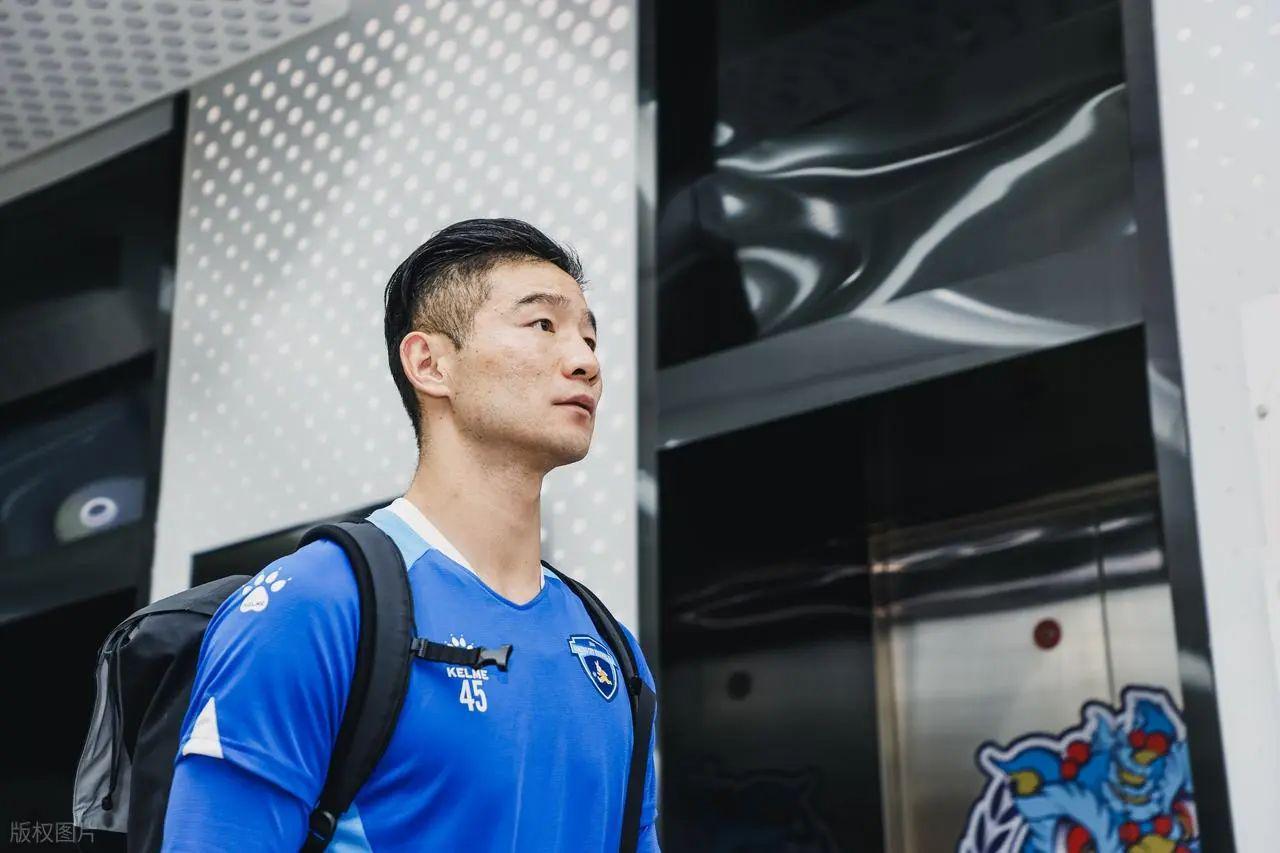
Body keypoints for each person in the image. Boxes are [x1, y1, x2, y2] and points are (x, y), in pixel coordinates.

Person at [160, 218, 660, 851]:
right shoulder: (316, 602)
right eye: (543, 325)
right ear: (430, 363)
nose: (586, 361)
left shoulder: (615, 655)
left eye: (590, 337)